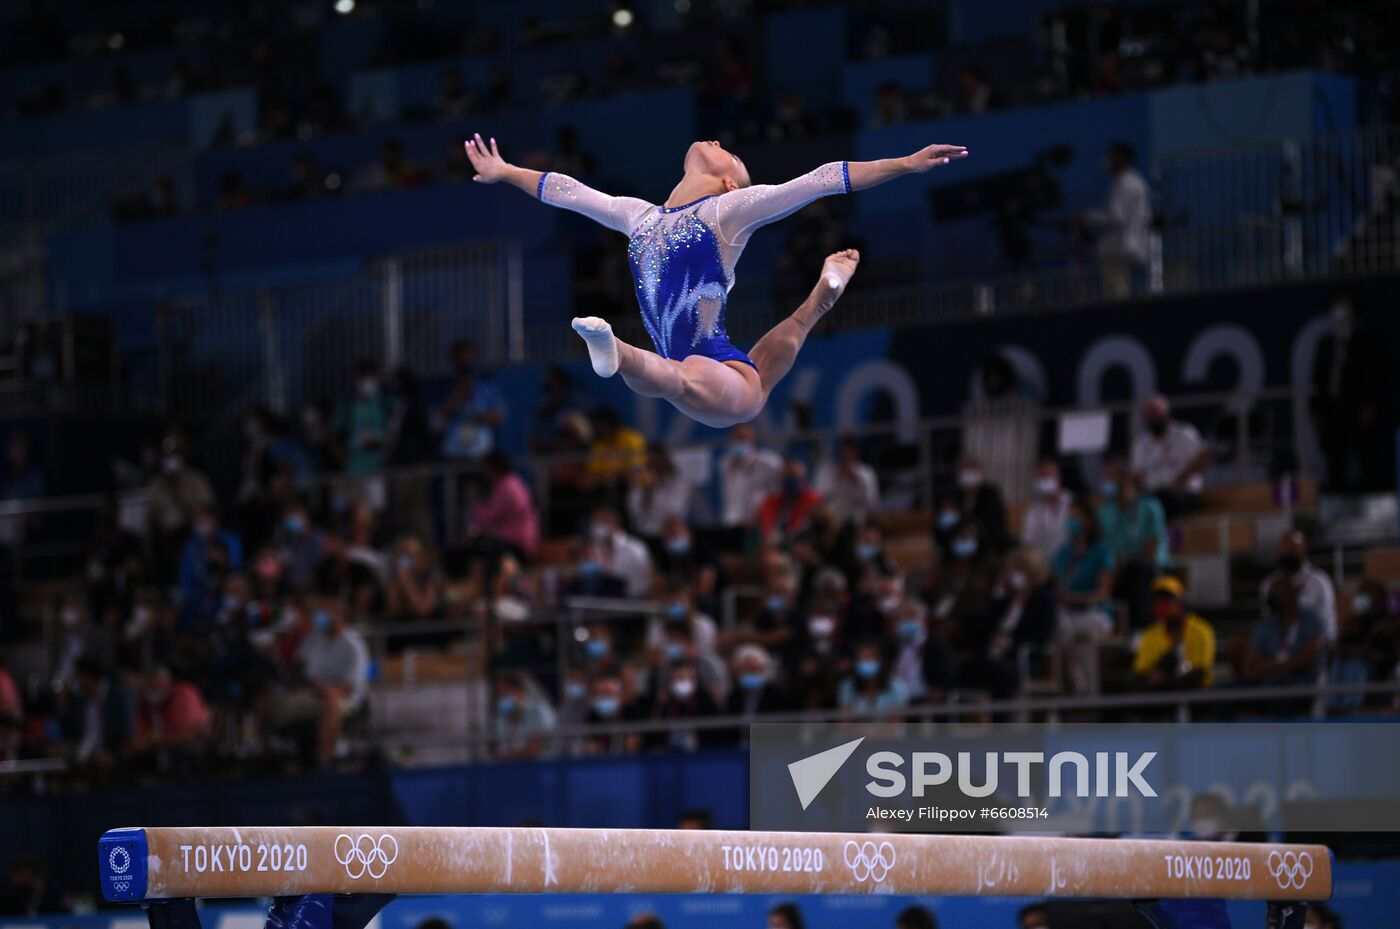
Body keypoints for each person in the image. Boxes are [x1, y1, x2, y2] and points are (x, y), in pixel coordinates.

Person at [463, 132, 967, 427]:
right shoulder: (640, 216)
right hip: (725, 379)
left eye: (732, 155)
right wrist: (505, 171)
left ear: (730, 182)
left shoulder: (729, 210)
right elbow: (568, 191)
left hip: (706, 368)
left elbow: (820, 180)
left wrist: (905, 163)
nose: (720, 143)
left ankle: (616, 351)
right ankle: (823, 294)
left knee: (678, 376)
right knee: (742, 381)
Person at [1311, 293, 1389, 493]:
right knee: (1334, 456)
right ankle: (1335, 496)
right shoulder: (1325, 344)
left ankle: (1370, 495)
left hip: (1356, 407)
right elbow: (1317, 379)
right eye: (1337, 306)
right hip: (1331, 410)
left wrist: (1369, 405)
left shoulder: (1366, 342)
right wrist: (1315, 410)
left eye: (1344, 307)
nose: (1340, 312)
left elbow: (1373, 375)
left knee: (1365, 454)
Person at [1052, 497, 1116, 694]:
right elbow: (1056, 587)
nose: (1071, 521)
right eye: (1069, 517)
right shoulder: (1063, 553)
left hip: (1094, 612)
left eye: (1076, 517)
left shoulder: (1102, 552)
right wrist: (1063, 598)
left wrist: (1075, 599)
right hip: (1068, 613)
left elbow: (1103, 593)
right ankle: (1073, 677)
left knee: (1084, 636)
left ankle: (1090, 692)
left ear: (1088, 520)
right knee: (1059, 625)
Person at [1080, 140, 1151, 299]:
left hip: (1117, 247)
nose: (1106, 161)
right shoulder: (1137, 181)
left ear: (1120, 158)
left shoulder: (1124, 183)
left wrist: (1087, 217)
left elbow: (1116, 216)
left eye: (1110, 157)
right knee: (1121, 286)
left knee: (1115, 291)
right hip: (1128, 244)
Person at [1100, 470, 1169, 629]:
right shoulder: (1106, 511)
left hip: (1148, 563)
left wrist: (1126, 560)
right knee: (1103, 570)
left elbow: (1151, 547)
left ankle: (1140, 627)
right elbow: (1103, 544)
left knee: (1136, 570)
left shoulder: (1150, 507)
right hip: (1116, 565)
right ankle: (1109, 623)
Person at [1131, 394, 1209, 518]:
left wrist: (1181, 480)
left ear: (1166, 412)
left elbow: (1204, 456)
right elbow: (1136, 474)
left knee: (1163, 502)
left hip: (1183, 494)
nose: (1153, 417)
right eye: (1149, 414)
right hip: (1153, 496)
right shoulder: (1141, 444)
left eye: (1156, 412)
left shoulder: (1184, 434)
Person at [1132, 576, 1215, 690]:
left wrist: (1168, 682)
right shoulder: (1150, 635)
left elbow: (1199, 673)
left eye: (1167, 600)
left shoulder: (1200, 630)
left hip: (1197, 694)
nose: (1162, 605)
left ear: (1180, 602)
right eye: (1158, 600)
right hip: (1159, 696)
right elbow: (1140, 673)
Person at [1244, 577, 1325, 687]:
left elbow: (1309, 658)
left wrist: (1270, 666)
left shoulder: (1310, 620)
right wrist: (1285, 666)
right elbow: (1251, 667)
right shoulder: (1267, 625)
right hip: (1269, 682)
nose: (1273, 598)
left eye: (1278, 593)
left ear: (1293, 594)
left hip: (1302, 682)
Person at [1259, 530, 1337, 642]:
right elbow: (1269, 618)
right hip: (1281, 642)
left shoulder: (1320, 581)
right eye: (1285, 551)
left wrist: (1328, 643)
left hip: (1315, 640)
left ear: (1303, 550)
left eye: (1293, 551)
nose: (1289, 555)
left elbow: (1327, 618)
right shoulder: (1270, 584)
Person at [718, 423, 783, 540]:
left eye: (744, 438)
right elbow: (728, 494)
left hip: (760, 519)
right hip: (734, 520)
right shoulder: (726, 463)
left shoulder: (769, 462)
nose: (740, 441)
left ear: (752, 439)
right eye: (737, 438)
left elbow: (777, 491)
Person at [626, 444, 693, 541]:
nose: (654, 467)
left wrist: (658, 486)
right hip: (643, 532)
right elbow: (634, 511)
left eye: (656, 462)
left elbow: (675, 510)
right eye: (650, 464)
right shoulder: (640, 484)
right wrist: (647, 490)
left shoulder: (678, 482)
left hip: (669, 533)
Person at [813, 437, 880, 527]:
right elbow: (818, 499)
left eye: (849, 457)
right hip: (833, 521)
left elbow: (873, 504)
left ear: (856, 455)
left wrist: (858, 482)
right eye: (843, 457)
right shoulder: (827, 471)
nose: (845, 461)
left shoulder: (867, 473)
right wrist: (835, 480)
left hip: (858, 520)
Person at [589, 508, 653, 597]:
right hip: (604, 598)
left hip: (634, 597)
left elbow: (648, 576)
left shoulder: (635, 548)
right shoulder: (595, 548)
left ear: (615, 523)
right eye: (595, 523)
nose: (598, 528)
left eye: (601, 523)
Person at [756, 459, 822, 545]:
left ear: (804, 480)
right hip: (775, 545)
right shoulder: (770, 503)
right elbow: (766, 531)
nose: (792, 481)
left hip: (802, 545)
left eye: (796, 478)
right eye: (789, 476)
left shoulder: (813, 501)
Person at [1021, 459, 1071, 561]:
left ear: (1058, 477)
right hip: (1043, 563)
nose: (1042, 481)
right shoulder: (1033, 511)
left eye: (1046, 476)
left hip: (1070, 562)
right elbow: (1027, 540)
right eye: (1039, 477)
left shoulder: (1073, 503)